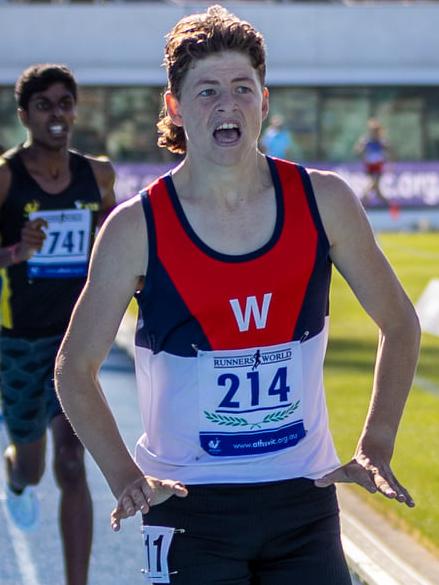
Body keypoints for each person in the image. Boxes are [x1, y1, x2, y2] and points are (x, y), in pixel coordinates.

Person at [55, 6, 420, 584]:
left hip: (304, 500)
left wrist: (376, 440)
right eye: (206, 92)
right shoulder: (136, 228)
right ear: (174, 106)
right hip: (187, 507)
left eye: (241, 88)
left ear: (264, 100)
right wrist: (125, 476)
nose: (227, 105)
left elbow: (400, 324)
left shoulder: (324, 202)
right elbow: (75, 367)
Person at [0, 64, 115, 585]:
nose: (57, 115)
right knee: (36, 466)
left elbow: (118, 244)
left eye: (65, 103)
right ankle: (15, 475)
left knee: (72, 463)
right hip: (19, 340)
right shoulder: (5, 177)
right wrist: (16, 250)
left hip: (78, 337)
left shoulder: (99, 175)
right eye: (44, 105)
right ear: (25, 115)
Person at [355, 118, 391, 206]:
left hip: (378, 165)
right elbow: (357, 151)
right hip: (370, 165)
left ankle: (363, 200)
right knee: (375, 186)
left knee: (375, 185)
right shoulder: (366, 140)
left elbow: (389, 150)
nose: (374, 132)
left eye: (376, 130)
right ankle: (364, 200)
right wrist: (362, 150)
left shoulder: (381, 141)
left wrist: (388, 159)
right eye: (373, 130)